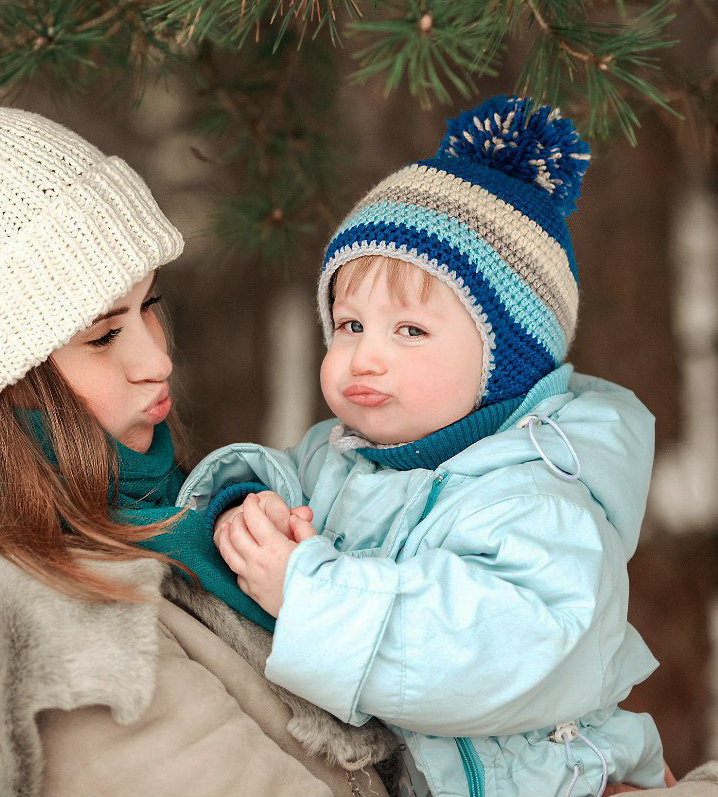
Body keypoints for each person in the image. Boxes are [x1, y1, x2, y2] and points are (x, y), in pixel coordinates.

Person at [0, 4, 718, 797]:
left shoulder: (122, 531)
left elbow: (515, 648)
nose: (157, 360)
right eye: (102, 334)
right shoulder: (43, 630)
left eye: (149, 308)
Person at [187, 96, 661, 797]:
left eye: (408, 331)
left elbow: (480, 655)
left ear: (507, 362)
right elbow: (283, 478)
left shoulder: (541, 499)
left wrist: (310, 594)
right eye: (349, 324)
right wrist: (247, 507)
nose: (364, 357)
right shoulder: (340, 455)